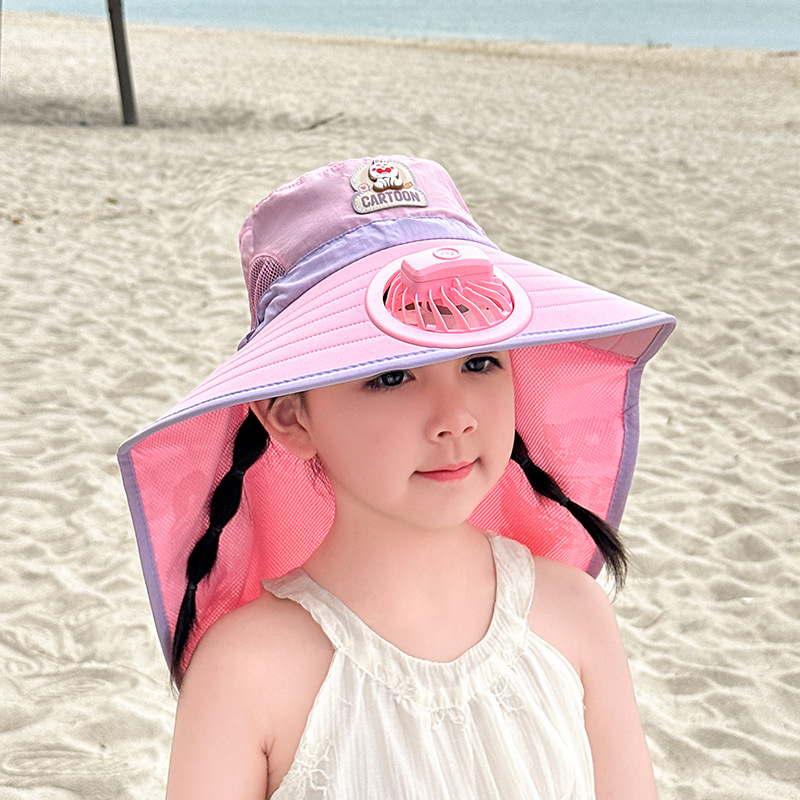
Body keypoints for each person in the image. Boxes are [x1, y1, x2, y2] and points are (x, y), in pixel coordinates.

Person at [118, 156, 675, 799]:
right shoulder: (245, 672)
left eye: (480, 362)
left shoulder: (573, 613)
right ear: (290, 416)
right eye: (391, 376)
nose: (455, 418)